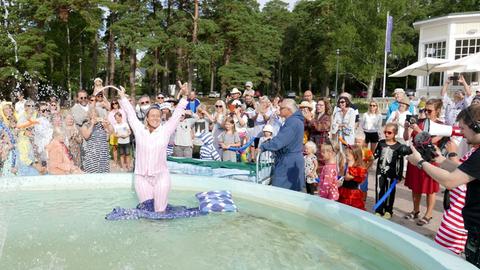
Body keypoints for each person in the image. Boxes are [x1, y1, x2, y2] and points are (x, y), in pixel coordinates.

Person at [407, 105, 480, 267]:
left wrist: (420, 162)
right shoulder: (477, 152)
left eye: (462, 128)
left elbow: (451, 181)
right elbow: (462, 171)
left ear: (477, 126)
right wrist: (439, 159)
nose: (460, 133)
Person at [117, 83, 190, 213]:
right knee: (147, 212)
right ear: (147, 117)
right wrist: (122, 98)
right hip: (141, 177)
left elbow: (177, 114)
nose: (155, 118)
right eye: (152, 115)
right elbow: (131, 114)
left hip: (161, 177)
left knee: (160, 212)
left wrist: (184, 96)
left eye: (158, 115)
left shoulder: (165, 130)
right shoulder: (139, 129)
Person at [403, 98, 444, 226]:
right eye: (424, 110)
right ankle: (415, 210)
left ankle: (429, 214)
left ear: (437, 111)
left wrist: (418, 130)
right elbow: (406, 137)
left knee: (430, 189)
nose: (426, 112)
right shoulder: (418, 121)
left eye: (429, 110)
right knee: (416, 187)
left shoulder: (441, 125)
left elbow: (431, 141)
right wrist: (406, 128)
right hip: (416, 158)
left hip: (430, 160)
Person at [259, 99, 305, 191]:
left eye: (281, 108)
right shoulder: (296, 121)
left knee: (281, 193)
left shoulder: (292, 122)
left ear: (288, 110)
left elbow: (280, 141)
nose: (279, 109)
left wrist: (263, 146)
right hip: (292, 160)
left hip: (288, 162)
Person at [373, 123, 405, 219]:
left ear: (395, 133)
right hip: (380, 172)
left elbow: (400, 162)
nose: (386, 134)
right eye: (385, 132)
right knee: (379, 190)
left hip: (392, 174)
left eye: (389, 132)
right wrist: (367, 157)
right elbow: (376, 155)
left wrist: (399, 175)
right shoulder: (381, 143)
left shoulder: (399, 147)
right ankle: (378, 210)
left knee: (389, 192)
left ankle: (388, 210)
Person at [80, 107, 112, 173]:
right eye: (92, 114)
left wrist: (108, 125)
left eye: (95, 113)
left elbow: (111, 134)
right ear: (88, 116)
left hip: (103, 154)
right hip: (92, 156)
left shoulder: (102, 124)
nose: (94, 115)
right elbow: (86, 136)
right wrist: (92, 124)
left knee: (104, 175)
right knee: (92, 175)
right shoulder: (85, 125)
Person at [338, 145, 368, 210]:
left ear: (355, 156)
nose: (346, 157)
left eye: (347, 155)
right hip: (344, 189)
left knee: (352, 207)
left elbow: (347, 177)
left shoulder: (357, 168)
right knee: (342, 207)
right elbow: (341, 174)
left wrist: (349, 166)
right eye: (346, 155)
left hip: (352, 193)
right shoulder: (347, 165)